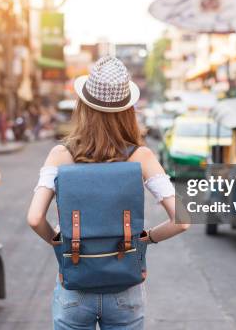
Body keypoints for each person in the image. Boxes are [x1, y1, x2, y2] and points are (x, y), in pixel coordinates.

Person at [27, 56, 190, 330]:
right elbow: (183, 219)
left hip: (75, 286)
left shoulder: (61, 155)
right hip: (125, 288)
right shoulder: (142, 156)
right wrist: (146, 239)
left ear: (83, 107)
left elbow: (34, 218)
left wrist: (59, 242)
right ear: (128, 110)